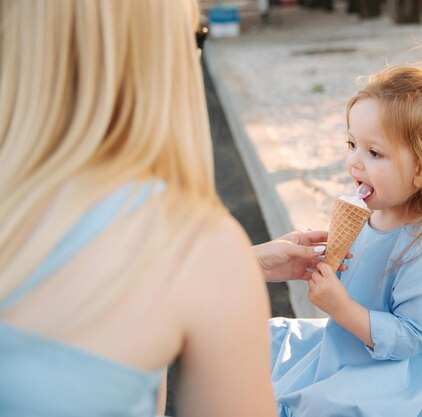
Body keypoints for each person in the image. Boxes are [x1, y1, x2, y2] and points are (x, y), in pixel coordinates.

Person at [0, 1, 330, 416]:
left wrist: (246, 265)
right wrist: (225, 270)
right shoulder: (188, 241)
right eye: (196, 38)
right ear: (162, 57)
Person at [269, 47, 422, 417]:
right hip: (353, 342)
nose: (355, 160)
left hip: (402, 367)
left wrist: (341, 306)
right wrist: (325, 267)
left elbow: (413, 337)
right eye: (352, 144)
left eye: (375, 153)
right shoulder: (369, 214)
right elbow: (360, 279)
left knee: (322, 405)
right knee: (271, 341)